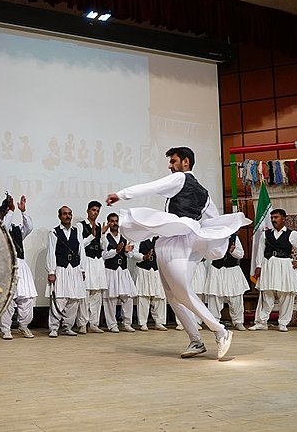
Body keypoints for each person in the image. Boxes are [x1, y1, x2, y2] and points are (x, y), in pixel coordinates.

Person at [106, 147, 250, 360]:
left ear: (185, 162)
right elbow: (212, 218)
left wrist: (121, 195)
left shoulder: (180, 178)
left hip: (178, 239)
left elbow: (152, 186)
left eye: (173, 161)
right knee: (173, 294)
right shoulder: (205, 193)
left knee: (181, 292)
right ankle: (196, 340)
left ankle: (220, 330)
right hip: (187, 239)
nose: (170, 165)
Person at [249, 209, 297, 332]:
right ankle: (261, 322)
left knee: (286, 294)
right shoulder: (265, 234)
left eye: (276, 217)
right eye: (272, 218)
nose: (273, 220)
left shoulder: (292, 234)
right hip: (268, 265)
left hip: (284, 265)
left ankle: (283, 323)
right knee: (266, 294)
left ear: (283, 218)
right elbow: (260, 251)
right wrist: (259, 266)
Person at [0, 194, 37, 340]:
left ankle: (23, 326)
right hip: (7, 266)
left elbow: (29, 227)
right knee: (8, 299)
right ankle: (6, 329)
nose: (2, 213)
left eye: (4, 211)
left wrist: (23, 211)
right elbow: (4, 229)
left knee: (26, 299)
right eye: (3, 211)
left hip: (21, 265)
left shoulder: (17, 229)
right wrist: (11, 211)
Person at [46, 205, 87, 337]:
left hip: (74, 268)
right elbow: (51, 253)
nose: (67, 216)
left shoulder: (77, 232)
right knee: (59, 298)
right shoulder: (54, 232)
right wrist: (51, 271)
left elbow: (81, 251)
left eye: (69, 213)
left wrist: (82, 269)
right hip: (61, 268)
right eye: (65, 214)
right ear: (59, 216)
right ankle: (53, 327)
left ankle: (68, 326)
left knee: (74, 299)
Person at [101, 212, 137, 333]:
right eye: (112, 221)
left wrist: (126, 251)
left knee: (127, 297)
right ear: (108, 222)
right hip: (110, 270)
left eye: (116, 221)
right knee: (110, 299)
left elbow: (130, 255)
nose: (114, 223)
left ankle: (127, 323)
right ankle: (112, 325)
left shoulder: (125, 236)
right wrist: (116, 251)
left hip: (123, 270)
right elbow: (103, 255)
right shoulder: (105, 237)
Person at [205, 234, 249, 331]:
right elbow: (208, 254)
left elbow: (241, 254)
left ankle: (238, 321)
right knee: (215, 297)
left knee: (236, 297)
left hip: (232, 270)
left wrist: (233, 251)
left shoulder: (234, 238)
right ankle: (214, 322)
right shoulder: (213, 238)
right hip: (217, 269)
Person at [76, 200, 107, 333]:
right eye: (94, 210)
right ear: (88, 210)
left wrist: (103, 235)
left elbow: (104, 248)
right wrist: (91, 236)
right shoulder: (80, 225)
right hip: (87, 260)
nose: (95, 213)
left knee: (97, 293)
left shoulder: (100, 226)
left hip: (98, 261)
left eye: (98, 211)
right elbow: (79, 244)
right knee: (85, 293)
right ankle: (82, 323)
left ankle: (94, 323)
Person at [132, 236, 168, 331]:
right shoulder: (139, 238)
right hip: (143, 269)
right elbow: (133, 254)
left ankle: (159, 322)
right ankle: (143, 322)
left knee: (159, 297)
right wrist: (144, 257)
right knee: (143, 297)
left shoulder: (160, 238)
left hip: (157, 270)